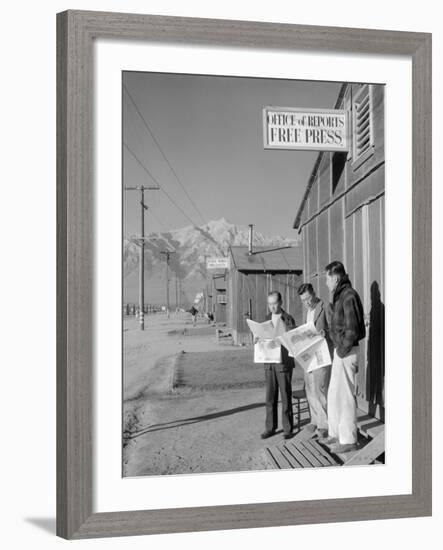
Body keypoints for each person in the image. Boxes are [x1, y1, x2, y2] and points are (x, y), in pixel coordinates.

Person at [320, 261, 366, 453]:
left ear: (336, 277)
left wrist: (342, 349)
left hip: (346, 352)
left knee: (345, 396)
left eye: (327, 279)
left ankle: (348, 440)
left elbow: (353, 329)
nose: (326, 283)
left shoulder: (348, 296)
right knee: (334, 394)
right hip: (340, 351)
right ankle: (336, 434)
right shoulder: (340, 296)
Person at [258, 290, 296, 440]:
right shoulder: (266, 319)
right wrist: (257, 339)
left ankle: (287, 428)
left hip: (283, 363)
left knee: (285, 395)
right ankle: (270, 427)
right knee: (270, 397)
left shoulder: (288, 319)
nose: (272, 307)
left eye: (274, 304)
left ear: (280, 303)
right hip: (269, 363)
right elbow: (261, 336)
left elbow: (294, 339)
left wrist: (283, 338)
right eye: (270, 304)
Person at [297, 283, 333, 438]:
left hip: (321, 354)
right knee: (309, 388)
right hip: (308, 355)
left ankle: (324, 424)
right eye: (303, 300)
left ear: (314, 293)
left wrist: (327, 332)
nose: (306, 303)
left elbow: (335, 328)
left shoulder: (325, 307)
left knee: (320, 388)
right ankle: (315, 420)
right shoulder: (307, 311)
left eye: (308, 299)